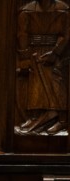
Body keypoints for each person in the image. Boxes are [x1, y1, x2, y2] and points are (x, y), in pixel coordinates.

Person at [15, 0, 70, 135]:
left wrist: (56, 52)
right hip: (35, 52)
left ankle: (60, 119)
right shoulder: (26, 11)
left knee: (56, 84)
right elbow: (22, 34)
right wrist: (26, 56)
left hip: (55, 54)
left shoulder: (63, 10)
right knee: (36, 86)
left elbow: (66, 34)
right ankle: (35, 116)